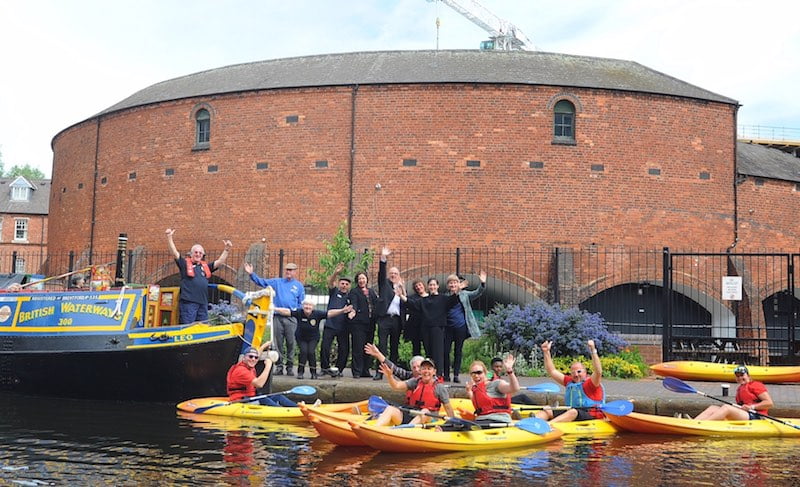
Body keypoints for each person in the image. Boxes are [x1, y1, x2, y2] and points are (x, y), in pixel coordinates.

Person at [244, 261, 305, 377]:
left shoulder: (299, 286)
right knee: (278, 343)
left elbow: (301, 303)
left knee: (291, 342)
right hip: (277, 317)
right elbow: (262, 282)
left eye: (291, 270)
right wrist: (252, 274)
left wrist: (296, 312)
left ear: (295, 272)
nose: (288, 272)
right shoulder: (277, 282)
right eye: (287, 270)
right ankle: (279, 366)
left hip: (291, 317)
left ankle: (290, 367)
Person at [273, 299, 352, 379]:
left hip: (313, 338)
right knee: (303, 352)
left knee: (311, 352)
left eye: (310, 305)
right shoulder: (299, 312)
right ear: (303, 306)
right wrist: (274, 308)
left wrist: (342, 311)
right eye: (306, 305)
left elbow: (330, 313)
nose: (308, 307)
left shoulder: (317, 314)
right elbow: (287, 311)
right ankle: (300, 372)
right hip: (301, 338)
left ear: (313, 307)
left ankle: (313, 373)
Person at [166, 228, 232, 324]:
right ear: (191, 254)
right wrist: (169, 237)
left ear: (203, 255)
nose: (198, 254)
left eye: (200, 253)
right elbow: (174, 252)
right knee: (188, 327)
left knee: (203, 327)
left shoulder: (205, 267)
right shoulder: (184, 264)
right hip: (188, 303)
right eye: (196, 252)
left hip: (202, 304)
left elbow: (220, 262)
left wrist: (226, 250)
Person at [536, 339, 605, 423]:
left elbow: (598, 372)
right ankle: (533, 423)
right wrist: (546, 352)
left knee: (573, 412)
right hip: (573, 412)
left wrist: (593, 350)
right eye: (573, 373)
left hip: (591, 415)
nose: (576, 375)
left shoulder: (592, 383)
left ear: (585, 372)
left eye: (579, 372)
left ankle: (548, 425)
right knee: (547, 410)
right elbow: (552, 371)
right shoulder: (570, 382)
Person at [374, 358, 455, 426]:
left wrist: (453, 423)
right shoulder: (415, 382)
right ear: (420, 371)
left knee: (424, 412)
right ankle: (375, 429)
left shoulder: (439, 387)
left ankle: (406, 430)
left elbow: (448, 408)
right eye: (424, 368)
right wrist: (389, 376)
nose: (426, 371)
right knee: (390, 409)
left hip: (430, 419)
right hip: (412, 415)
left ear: (434, 372)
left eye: (429, 369)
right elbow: (397, 386)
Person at [443, 271, 486, 383]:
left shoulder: (465, 294)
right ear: (448, 285)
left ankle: (456, 375)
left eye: (455, 282)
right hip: (447, 327)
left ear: (458, 284)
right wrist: (457, 291)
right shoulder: (445, 296)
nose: (453, 285)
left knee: (458, 351)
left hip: (460, 326)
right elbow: (447, 304)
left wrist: (482, 283)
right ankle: (446, 374)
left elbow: (477, 293)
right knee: (445, 351)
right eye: (451, 283)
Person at [694, 365, 774, 420]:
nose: (740, 378)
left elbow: (769, 403)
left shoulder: (756, 385)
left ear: (748, 376)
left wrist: (752, 407)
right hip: (745, 414)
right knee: (713, 407)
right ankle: (695, 422)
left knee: (727, 407)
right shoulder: (740, 388)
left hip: (757, 415)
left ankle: (703, 424)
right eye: (738, 376)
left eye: (742, 375)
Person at [226, 344, 295, 407]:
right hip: (241, 400)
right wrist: (268, 366)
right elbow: (259, 384)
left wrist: (264, 346)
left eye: (255, 357)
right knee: (264, 400)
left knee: (278, 397)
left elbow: (256, 356)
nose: (253, 359)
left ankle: (296, 408)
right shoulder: (240, 371)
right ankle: (281, 411)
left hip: (251, 397)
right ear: (244, 358)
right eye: (250, 356)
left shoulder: (249, 365)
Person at [373, 247, 405, 381]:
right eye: (391, 273)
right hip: (385, 319)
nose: (393, 275)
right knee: (382, 346)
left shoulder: (401, 288)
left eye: (395, 273)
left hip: (396, 320)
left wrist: (402, 290)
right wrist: (383, 258)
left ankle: (393, 372)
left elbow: (406, 304)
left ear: (399, 276)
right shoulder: (384, 284)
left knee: (394, 346)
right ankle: (379, 372)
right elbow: (381, 273)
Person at [466, 355, 520, 423]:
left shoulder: (496, 384)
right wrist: (469, 391)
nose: (476, 376)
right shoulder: (477, 388)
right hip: (482, 419)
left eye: (479, 373)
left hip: (498, 420)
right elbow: (477, 402)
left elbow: (515, 388)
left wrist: (510, 371)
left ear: (485, 373)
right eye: (473, 374)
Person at [346, 271, 378, 378]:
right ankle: (357, 371)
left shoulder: (371, 292)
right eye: (359, 279)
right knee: (358, 348)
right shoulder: (354, 292)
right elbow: (354, 303)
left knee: (368, 348)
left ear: (367, 280)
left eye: (363, 278)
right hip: (358, 324)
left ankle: (365, 370)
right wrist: (353, 311)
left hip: (370, 324)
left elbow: (376, 304)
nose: (361, 280)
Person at [320, 263, 351, 377]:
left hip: (344, 327)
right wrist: (336, 273)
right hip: (330, 325)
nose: (344, 286)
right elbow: (330, 282)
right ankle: (324, 368)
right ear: (339, 284)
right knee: (325, 347)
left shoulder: (351, 296)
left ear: (349, 286)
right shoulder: (334, 292)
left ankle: (339, 369)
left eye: (346, 284)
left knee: (344, 349)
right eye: (342, 283)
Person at [403, 279, 427, 356]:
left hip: (426, 326)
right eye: (416, 286)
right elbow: (406, 301)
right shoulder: (413, 298)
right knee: (416, 348)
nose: (418, 287)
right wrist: (402, 288)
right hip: (415, 327)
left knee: (428, 346)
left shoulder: (430, 296)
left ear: (423, 285)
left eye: (420, 285)